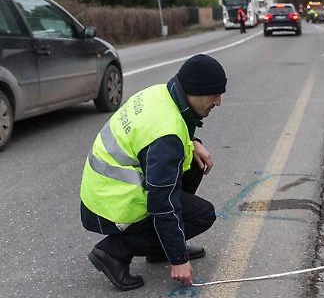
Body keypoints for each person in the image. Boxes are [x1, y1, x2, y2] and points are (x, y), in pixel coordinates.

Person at [80, 54, 227, 291]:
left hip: (102, 191)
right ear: (195, 92)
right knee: (203, 215)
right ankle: (113, 252)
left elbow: (157, 137)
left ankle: (159, 246)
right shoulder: (166, 135)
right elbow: (162, 202)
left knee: (192, 162)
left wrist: (193, 142)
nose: (218, 102)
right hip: (111, 205)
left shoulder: (163, 94)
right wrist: (179, 258)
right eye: (215, 95)